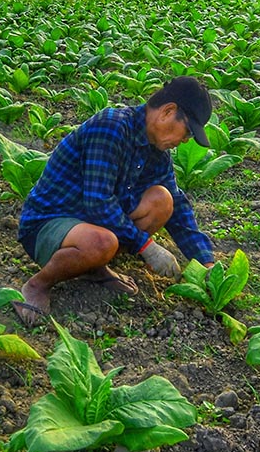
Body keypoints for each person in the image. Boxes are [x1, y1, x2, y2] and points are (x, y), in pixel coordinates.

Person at [14, 76, 216, 325]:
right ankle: (38, 285)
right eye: (187, 132)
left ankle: (95, 268)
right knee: (103, 242)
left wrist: (205, 261)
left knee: (162, 200)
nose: (184, 140)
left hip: (89, 222)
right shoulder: (111, 127)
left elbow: (178, 205)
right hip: (48, 223)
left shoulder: (156, 151)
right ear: (167, 111)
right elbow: (98, 203)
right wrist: (147, 247)